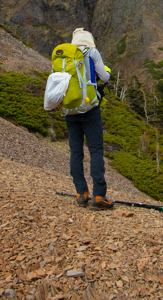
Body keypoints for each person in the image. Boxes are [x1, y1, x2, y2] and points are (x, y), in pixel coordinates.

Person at [64, 27, 114, 210]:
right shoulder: (92, 52)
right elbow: (105, 77)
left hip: (70, 109)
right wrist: (105, 70)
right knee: (95, 151)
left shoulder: (65, 55)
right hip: (89, 108)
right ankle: (99, 196)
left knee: (76, 151)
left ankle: (81, 193)